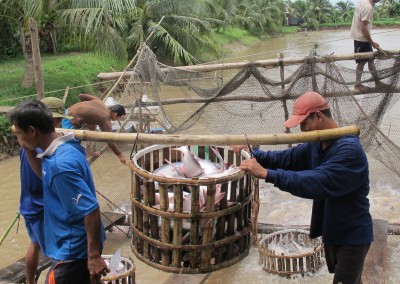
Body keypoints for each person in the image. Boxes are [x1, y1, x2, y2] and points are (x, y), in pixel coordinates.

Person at [231, 92, 373, 284]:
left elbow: (315, 182)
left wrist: (267, 174)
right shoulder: (317, 144)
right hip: (333, 230)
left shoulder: (349, 151)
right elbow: (286, 158)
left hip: (352, 234)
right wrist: (253, 153)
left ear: (319, 116)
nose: (301, 129)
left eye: (304, 123)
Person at [10, 99, 109, 284]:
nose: (20, 138)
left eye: (21, 133)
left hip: (72, 253)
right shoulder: (65, 148)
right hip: (70, 247)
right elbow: (46, 176)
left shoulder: (60, 165)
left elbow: (91, 210)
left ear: (32, 131)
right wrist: (28, 149)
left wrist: (94, 256)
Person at [18, 97, 72, 284]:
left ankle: (30, 282)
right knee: (58, 256)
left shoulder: (27, 143)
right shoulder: (41, 149)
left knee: (35, 243)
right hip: (42, 208)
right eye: (57, 121)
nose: (58, 125)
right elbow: (47, 177)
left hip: (28, 204)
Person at [61, 93, 127, 164]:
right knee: (73, 144)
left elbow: (81, 96)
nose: (118, 119)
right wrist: (119, 154)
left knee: (93, 125)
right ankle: (72, 161)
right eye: (119, 117)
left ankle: (88, 151)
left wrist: (84, 108)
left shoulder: (99, 102)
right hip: (69, 119)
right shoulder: (105, 120)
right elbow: (109, 140)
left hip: (67, 111)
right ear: (115, 114)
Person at [350, 0, 387, 92]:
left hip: (362, 38)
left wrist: (371, 42)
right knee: (361, 62)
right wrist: (372, 43)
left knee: (371, 60)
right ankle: (357, 85)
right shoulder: (368, 7)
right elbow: (364, 29)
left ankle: (377, 82)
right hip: (361, 39)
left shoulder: (364, 2)